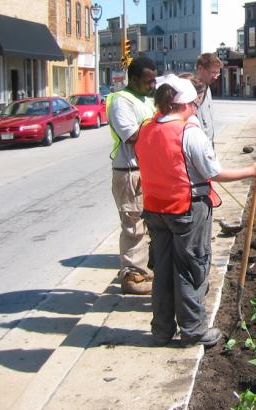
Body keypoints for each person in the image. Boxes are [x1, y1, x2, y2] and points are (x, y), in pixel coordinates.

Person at [135, 74, 256, 347]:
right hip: (186, 208)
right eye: (194, 105)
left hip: (155, 210)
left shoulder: (147, 129)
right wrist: (251, 170)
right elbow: (213, 172)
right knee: (190, 268)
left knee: (162, 269)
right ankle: (194, 330)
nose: (196, 108)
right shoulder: (188, 133)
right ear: (183, 104)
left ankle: (161, 330)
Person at [106, 56, 157, 295]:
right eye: (148, 81)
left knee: (147, 225)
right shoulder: (121, 102)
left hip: (145, 169)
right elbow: (134, 135)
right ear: (134, 79)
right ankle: (132, 276)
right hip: (129, 171)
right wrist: (162, 128)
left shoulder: (144, 99)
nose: (152, 85)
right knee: (133, 225)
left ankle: (143, 270)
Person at [195, 53, 222, 149]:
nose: (216, 77)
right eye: (213, 73)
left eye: (218, 73)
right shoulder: (191, 93)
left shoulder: (207, 89)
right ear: (200, 69)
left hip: (208, 149)